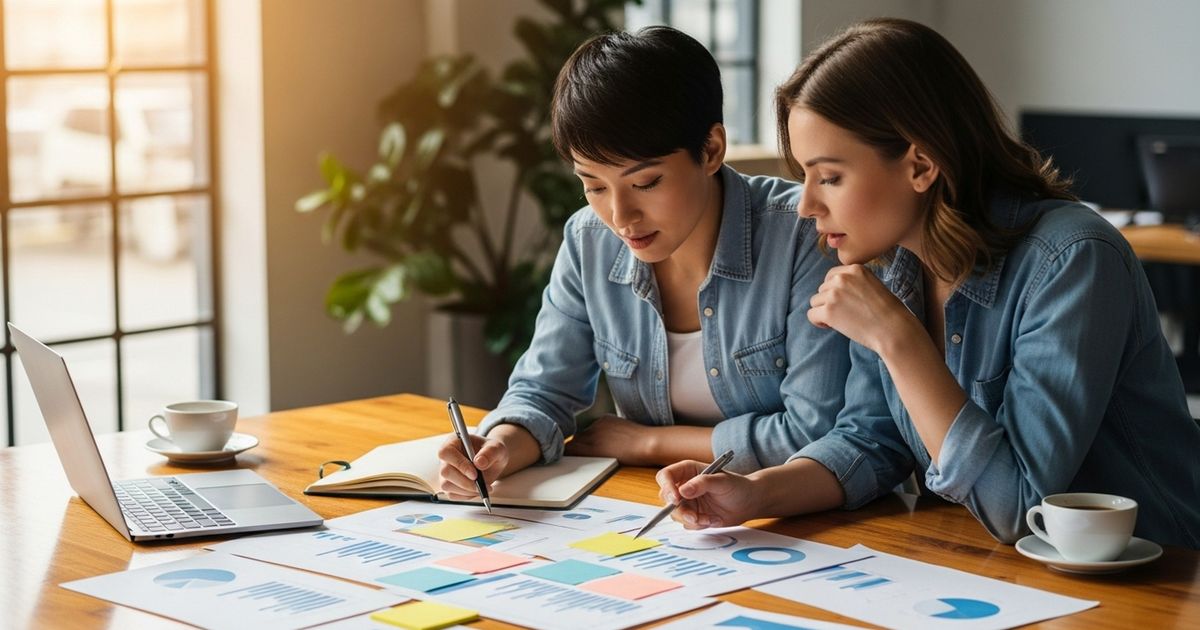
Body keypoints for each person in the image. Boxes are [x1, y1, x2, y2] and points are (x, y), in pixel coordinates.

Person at [656, 18, 1200, 548]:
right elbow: (870, 442)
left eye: (830, 177)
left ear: (920, 165)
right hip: (989, 571)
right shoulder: (890, 265)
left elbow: (1022, 507)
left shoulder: (1072, 259)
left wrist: (898, 339)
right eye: (804, 177)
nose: (806, 206)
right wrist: (754, 494)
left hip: (1157, 580)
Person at [436, 26, 851, 500]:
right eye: (593, 186)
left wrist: (648, 442)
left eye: (646, 183)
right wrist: (497, 452)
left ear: (711, 149)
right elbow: (543, 393)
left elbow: (817, 434)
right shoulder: (588, 239)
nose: (620, 216)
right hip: (662, 509)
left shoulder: (804, 233)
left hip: (799, 518)